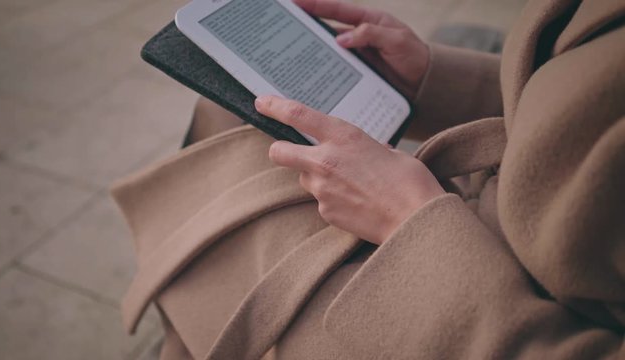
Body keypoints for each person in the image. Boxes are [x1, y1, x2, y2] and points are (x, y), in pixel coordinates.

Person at [112, 0, 625, 358]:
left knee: (224, 139)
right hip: (475, 230)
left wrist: (413, 225)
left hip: (467, 315)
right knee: (237, 109)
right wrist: (431, 79)